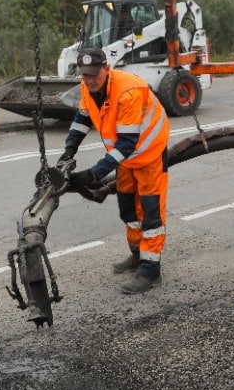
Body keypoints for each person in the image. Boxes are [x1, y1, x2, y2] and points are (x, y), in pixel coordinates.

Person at [58, 47, 170, 294]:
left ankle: (151, 271)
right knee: (128, 208)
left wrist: (94, 174)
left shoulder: (128, 91)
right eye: (85, 75)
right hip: (126, 159)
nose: (89, 80)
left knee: (150, 213)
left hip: (149, 154)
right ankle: (137, 256)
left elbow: (126, 144)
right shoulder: (88, 87)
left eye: (94, 74)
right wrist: (69, 150)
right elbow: (83, 118)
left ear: (106, 69)